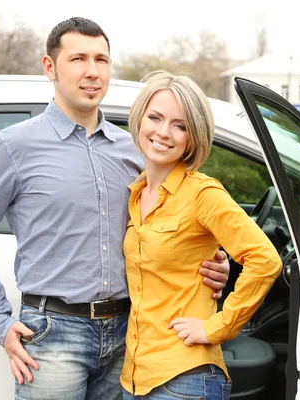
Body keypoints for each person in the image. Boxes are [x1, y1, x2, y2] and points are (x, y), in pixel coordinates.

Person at [0, 17, 229, 400]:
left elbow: (174, 220)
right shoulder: (13, 148)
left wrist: (214, 261)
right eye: (78, 58)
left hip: (130, 333)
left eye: (102, 59)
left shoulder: (135, 150)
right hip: (52, 335)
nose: (92, 71)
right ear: (50, 67)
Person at [120, 71, 282, 399]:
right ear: (139, 120)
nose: (163, 132)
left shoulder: (203, 194)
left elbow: (264, 260)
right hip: (136, 377)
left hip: (185, 378)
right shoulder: (136, 194)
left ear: (193, 137)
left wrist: (217, 327)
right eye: (155, 117)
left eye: (180, 125)